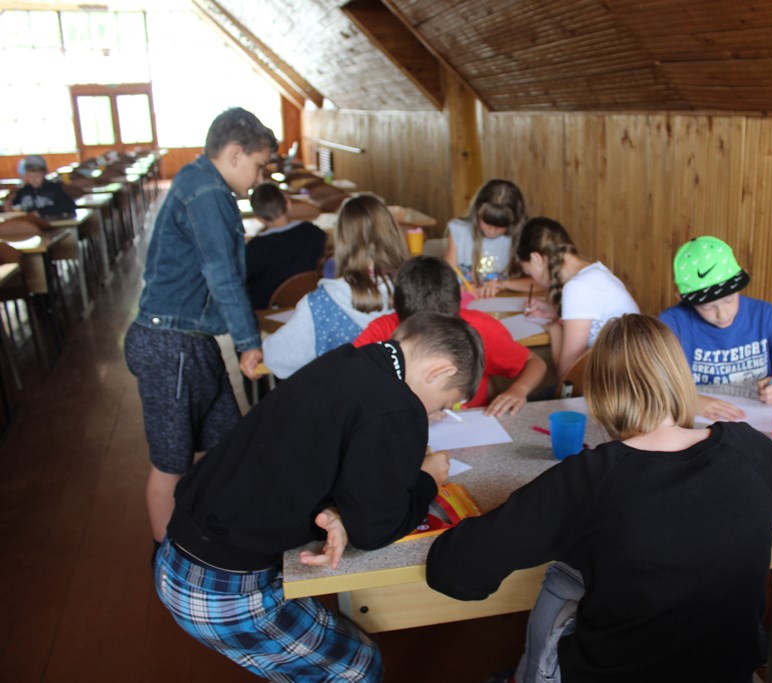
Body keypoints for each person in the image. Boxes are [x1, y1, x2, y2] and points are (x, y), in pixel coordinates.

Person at [426, 313, 772, 683]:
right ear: (680, 380)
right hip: (729, 673)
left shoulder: (587, 479)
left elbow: (453, 572)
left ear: (599, 396)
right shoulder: (749, 450)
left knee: (563, 577)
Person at [156, 311, 484, 682]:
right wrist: (427, 479)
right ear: (439, 371)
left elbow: (332, 462)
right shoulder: (396, 406)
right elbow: (375, 530)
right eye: (443, 405)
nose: (435, 414)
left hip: (182, 549)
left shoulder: (349, 361)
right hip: (219, 586)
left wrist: (340, 512)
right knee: (357, 670)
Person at [658, 235, 772, 667]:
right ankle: (736, 623)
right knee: (715, 530)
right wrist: (691, 399)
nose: (722, 314)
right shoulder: (672, 324)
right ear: (687, 301)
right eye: (708, 307)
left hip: (762, 449)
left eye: (729, 300)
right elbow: (647, 386)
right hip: (701, 451)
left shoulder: (764, 316)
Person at [124, 107, 276, 561]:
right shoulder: (207, 192)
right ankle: (166, 561)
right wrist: (248, 343)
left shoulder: (204, 183)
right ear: (235, 154)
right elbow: (222, 274)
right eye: (258, 165)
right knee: (170, 463)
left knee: (223, 446)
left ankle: (208, 536)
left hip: (192, 341)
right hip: (170, 343)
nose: (260, 177)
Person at [353, 256, 548, 416]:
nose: (432, 338)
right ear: (401, 317)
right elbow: (351, 382)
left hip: (470, 426)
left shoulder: (481, 328)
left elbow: (535, 363)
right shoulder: (381, 331)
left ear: (457, 309)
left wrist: (518, 390)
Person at [262, 193, 407, 378]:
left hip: (347, 395)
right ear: (393, 233)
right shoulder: (418, 290)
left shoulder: (322, 304)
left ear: (341, 241)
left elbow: (277, 358)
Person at [516, 217, 639, 381]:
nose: (534, 279)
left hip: (617, 385)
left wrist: (553, 327)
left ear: (536, 258)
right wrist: (554, 311)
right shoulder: (596, 271)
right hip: (626, 378)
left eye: (529, 272)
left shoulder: (577, 287)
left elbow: (566, 373)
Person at [244, 181, 327, 310]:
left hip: (268, 311)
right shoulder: (314, 233)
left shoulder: (254, 248)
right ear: (288, 204)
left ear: (258, 217)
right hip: (312, 303)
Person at [443, 178, 533, 297]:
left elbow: (540, 283)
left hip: (502, 301)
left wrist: (503, 284)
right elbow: (445, 278)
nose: (491, 231)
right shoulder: (459, 230)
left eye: (500, 226)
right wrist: (458, 289)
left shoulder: (521, 235)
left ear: (514, 222)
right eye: (486, 222)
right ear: (477, 213)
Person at [10, 155, 77, 219]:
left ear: (44, 174)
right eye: (30, 176)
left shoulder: (54, 189)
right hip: (28, 224)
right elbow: (15, 207)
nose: (34, 180)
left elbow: (69, 206)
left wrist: (41, 212)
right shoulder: (23, 191)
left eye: (37, 176)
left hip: (50, 224)